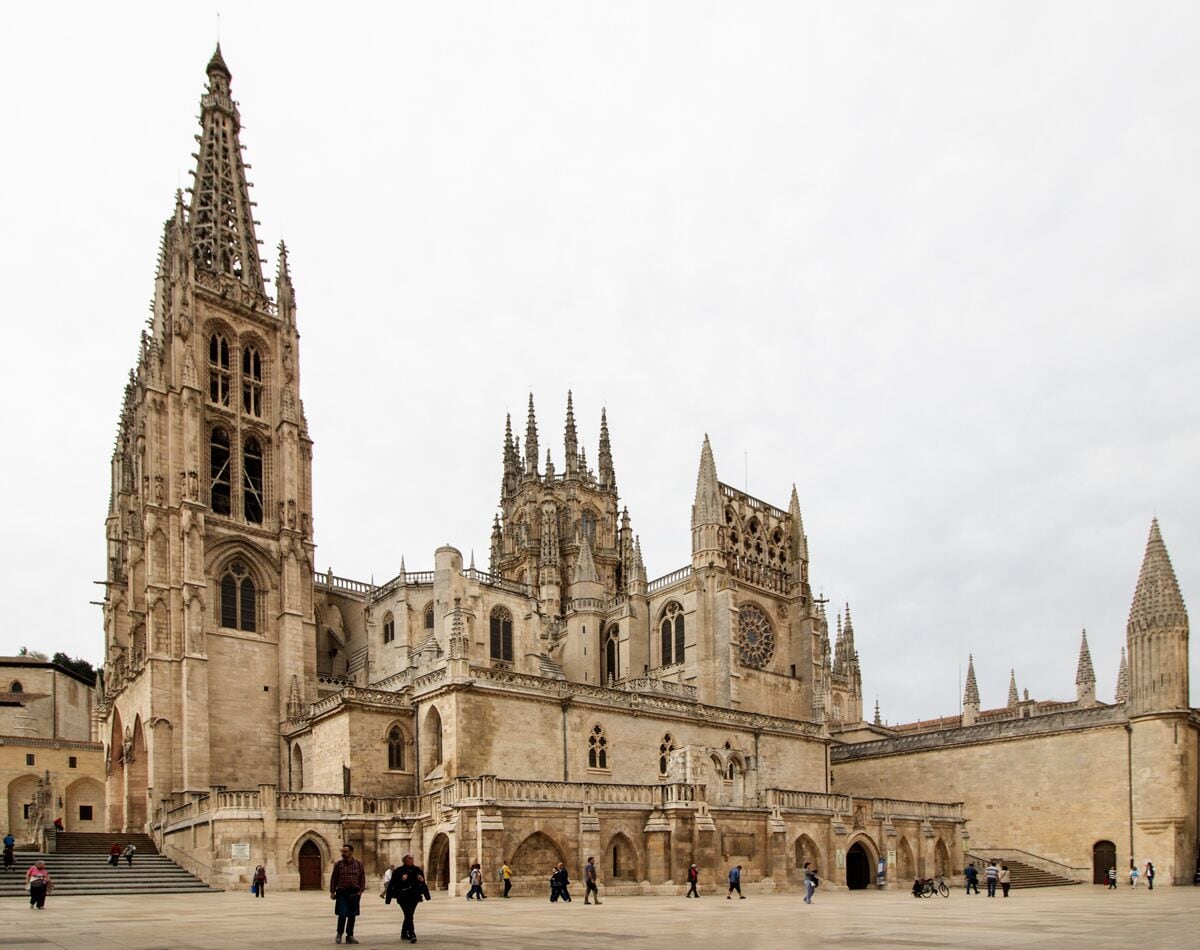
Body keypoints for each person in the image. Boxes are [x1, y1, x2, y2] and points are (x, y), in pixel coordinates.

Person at [387, 853, 429, 944]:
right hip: (403, 897)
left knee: (409, 915)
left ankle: (404, 933)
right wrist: (401, 880)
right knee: (408, 914)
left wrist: (421, 881)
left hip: (414, 896)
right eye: (410, 858)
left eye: (412, 858)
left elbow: (422, 883)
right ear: (405, 860)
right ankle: (412, 934)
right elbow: (393, 884)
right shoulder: (398, 871)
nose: (412, 860)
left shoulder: (417, 870)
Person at [329, 843, 366, 944]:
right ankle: (339, 933)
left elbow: (362, 878)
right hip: (342, 893)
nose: (343, 853)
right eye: (342, 852)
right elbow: (334, 879)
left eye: (345, 852)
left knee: (352, 915)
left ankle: (350, 936)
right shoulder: (338, 864)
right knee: (342, 914)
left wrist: (360, 891)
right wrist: (332, 891)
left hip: (354, 893)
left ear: (351, 852)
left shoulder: (358, 864)